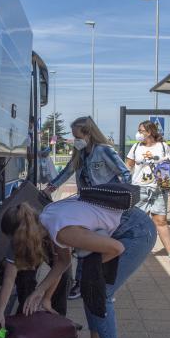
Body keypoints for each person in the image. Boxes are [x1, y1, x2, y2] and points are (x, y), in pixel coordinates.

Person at [2, 198, 156, 338]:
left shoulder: (61, 230)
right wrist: (40, 291)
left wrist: (94, 270)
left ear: (24, 236)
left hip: (136, 232)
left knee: (100, 293)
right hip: (122, 229)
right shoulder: (48, 219)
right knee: (88, 287)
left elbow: (116, 248)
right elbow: (63, 262)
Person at [45, 116, 132, 299]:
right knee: (84, 244)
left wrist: (123, 197)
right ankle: (84, 282)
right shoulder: (80, 153)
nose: (75, 140)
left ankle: (95, 283)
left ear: (88, 134)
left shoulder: (103, 150)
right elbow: (67, 171)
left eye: (77, 136)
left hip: (105, 204)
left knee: (91, 245)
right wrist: (50, 188)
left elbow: (124, 172)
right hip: (87, 203)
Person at [0, 204, 70, 332]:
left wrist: (46, 298)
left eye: (11, 237)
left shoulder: (51, 228)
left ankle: (59, 328)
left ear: (20, 234)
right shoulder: (17, 242)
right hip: (30, 247)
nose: (10, 241)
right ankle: (17, 328)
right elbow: (9, 279)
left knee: (64, 278)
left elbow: (60, 267)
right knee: (26, 288)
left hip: (54, 248)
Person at [126, 120, 170, 264]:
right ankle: (134, 250)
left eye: (141, 131)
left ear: (149, 132)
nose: (138, 133)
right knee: (138, 221)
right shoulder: (136, 147)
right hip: (140, 188)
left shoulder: (162, 146)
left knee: (161, 221)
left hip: (159, 188)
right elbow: (128, 166)